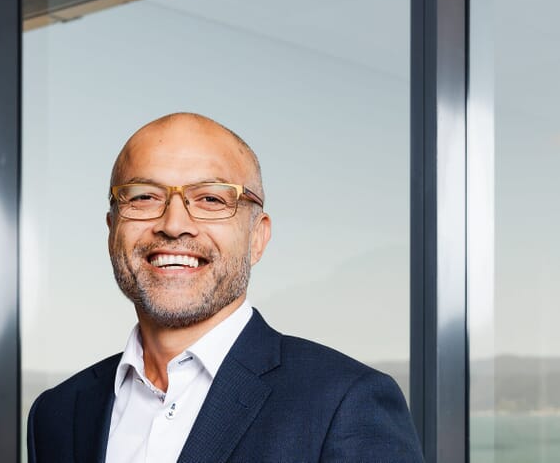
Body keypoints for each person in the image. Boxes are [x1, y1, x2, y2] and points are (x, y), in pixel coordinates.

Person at [27, 112, 424, 462]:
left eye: (211, 199)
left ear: (257, 237)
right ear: (113, 229)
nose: (174, 223)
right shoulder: (58, 413)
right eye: (145, 196)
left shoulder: (343, 402)